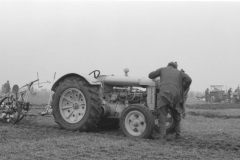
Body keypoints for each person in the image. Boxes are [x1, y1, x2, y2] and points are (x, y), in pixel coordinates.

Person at [148, 62, 192, 140]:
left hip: (164, 95)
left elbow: (150, 75)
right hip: (176, 95)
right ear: (175, 67)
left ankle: (162, 136)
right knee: (176, 116)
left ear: (168, 65)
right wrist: (183, 87)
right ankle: (178, 135)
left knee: (163, 116)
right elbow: (189, 79)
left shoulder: (162, 69)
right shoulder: (180, 73)